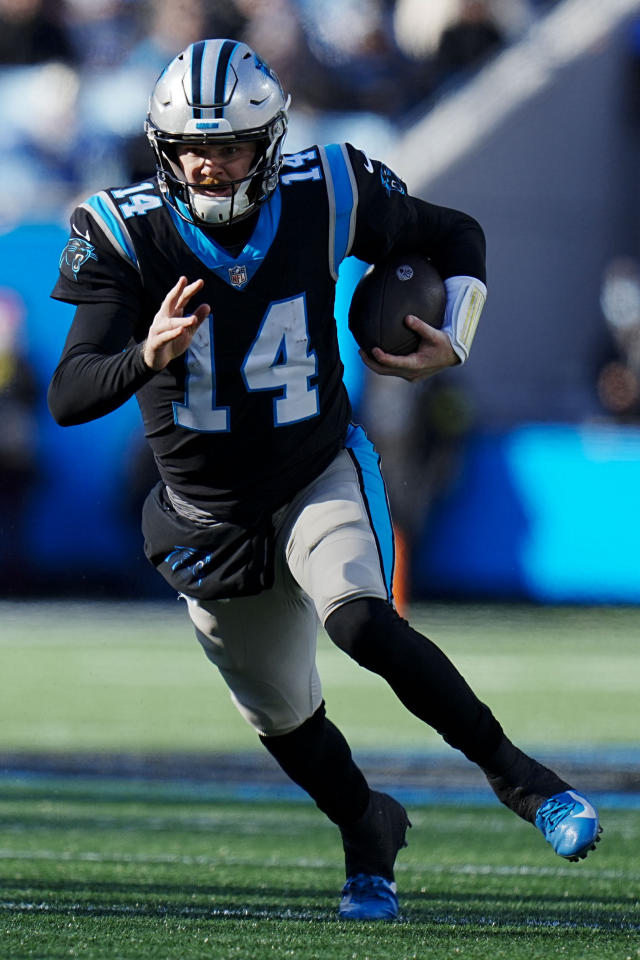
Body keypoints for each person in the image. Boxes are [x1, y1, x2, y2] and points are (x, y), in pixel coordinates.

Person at [48, 38, 601, 921]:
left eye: (229, 145)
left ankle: (526, 782)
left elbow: (456, 233)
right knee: (286, 720)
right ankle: (367, 829)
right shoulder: (123, 229)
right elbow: (70, 393)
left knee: (359, 618)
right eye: (192, 145)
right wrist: (144, 355)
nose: (208, 162)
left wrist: (453, 330)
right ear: (162, 146)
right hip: (205, 516)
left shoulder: (330, 189)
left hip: (315, 468)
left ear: (268, 143)